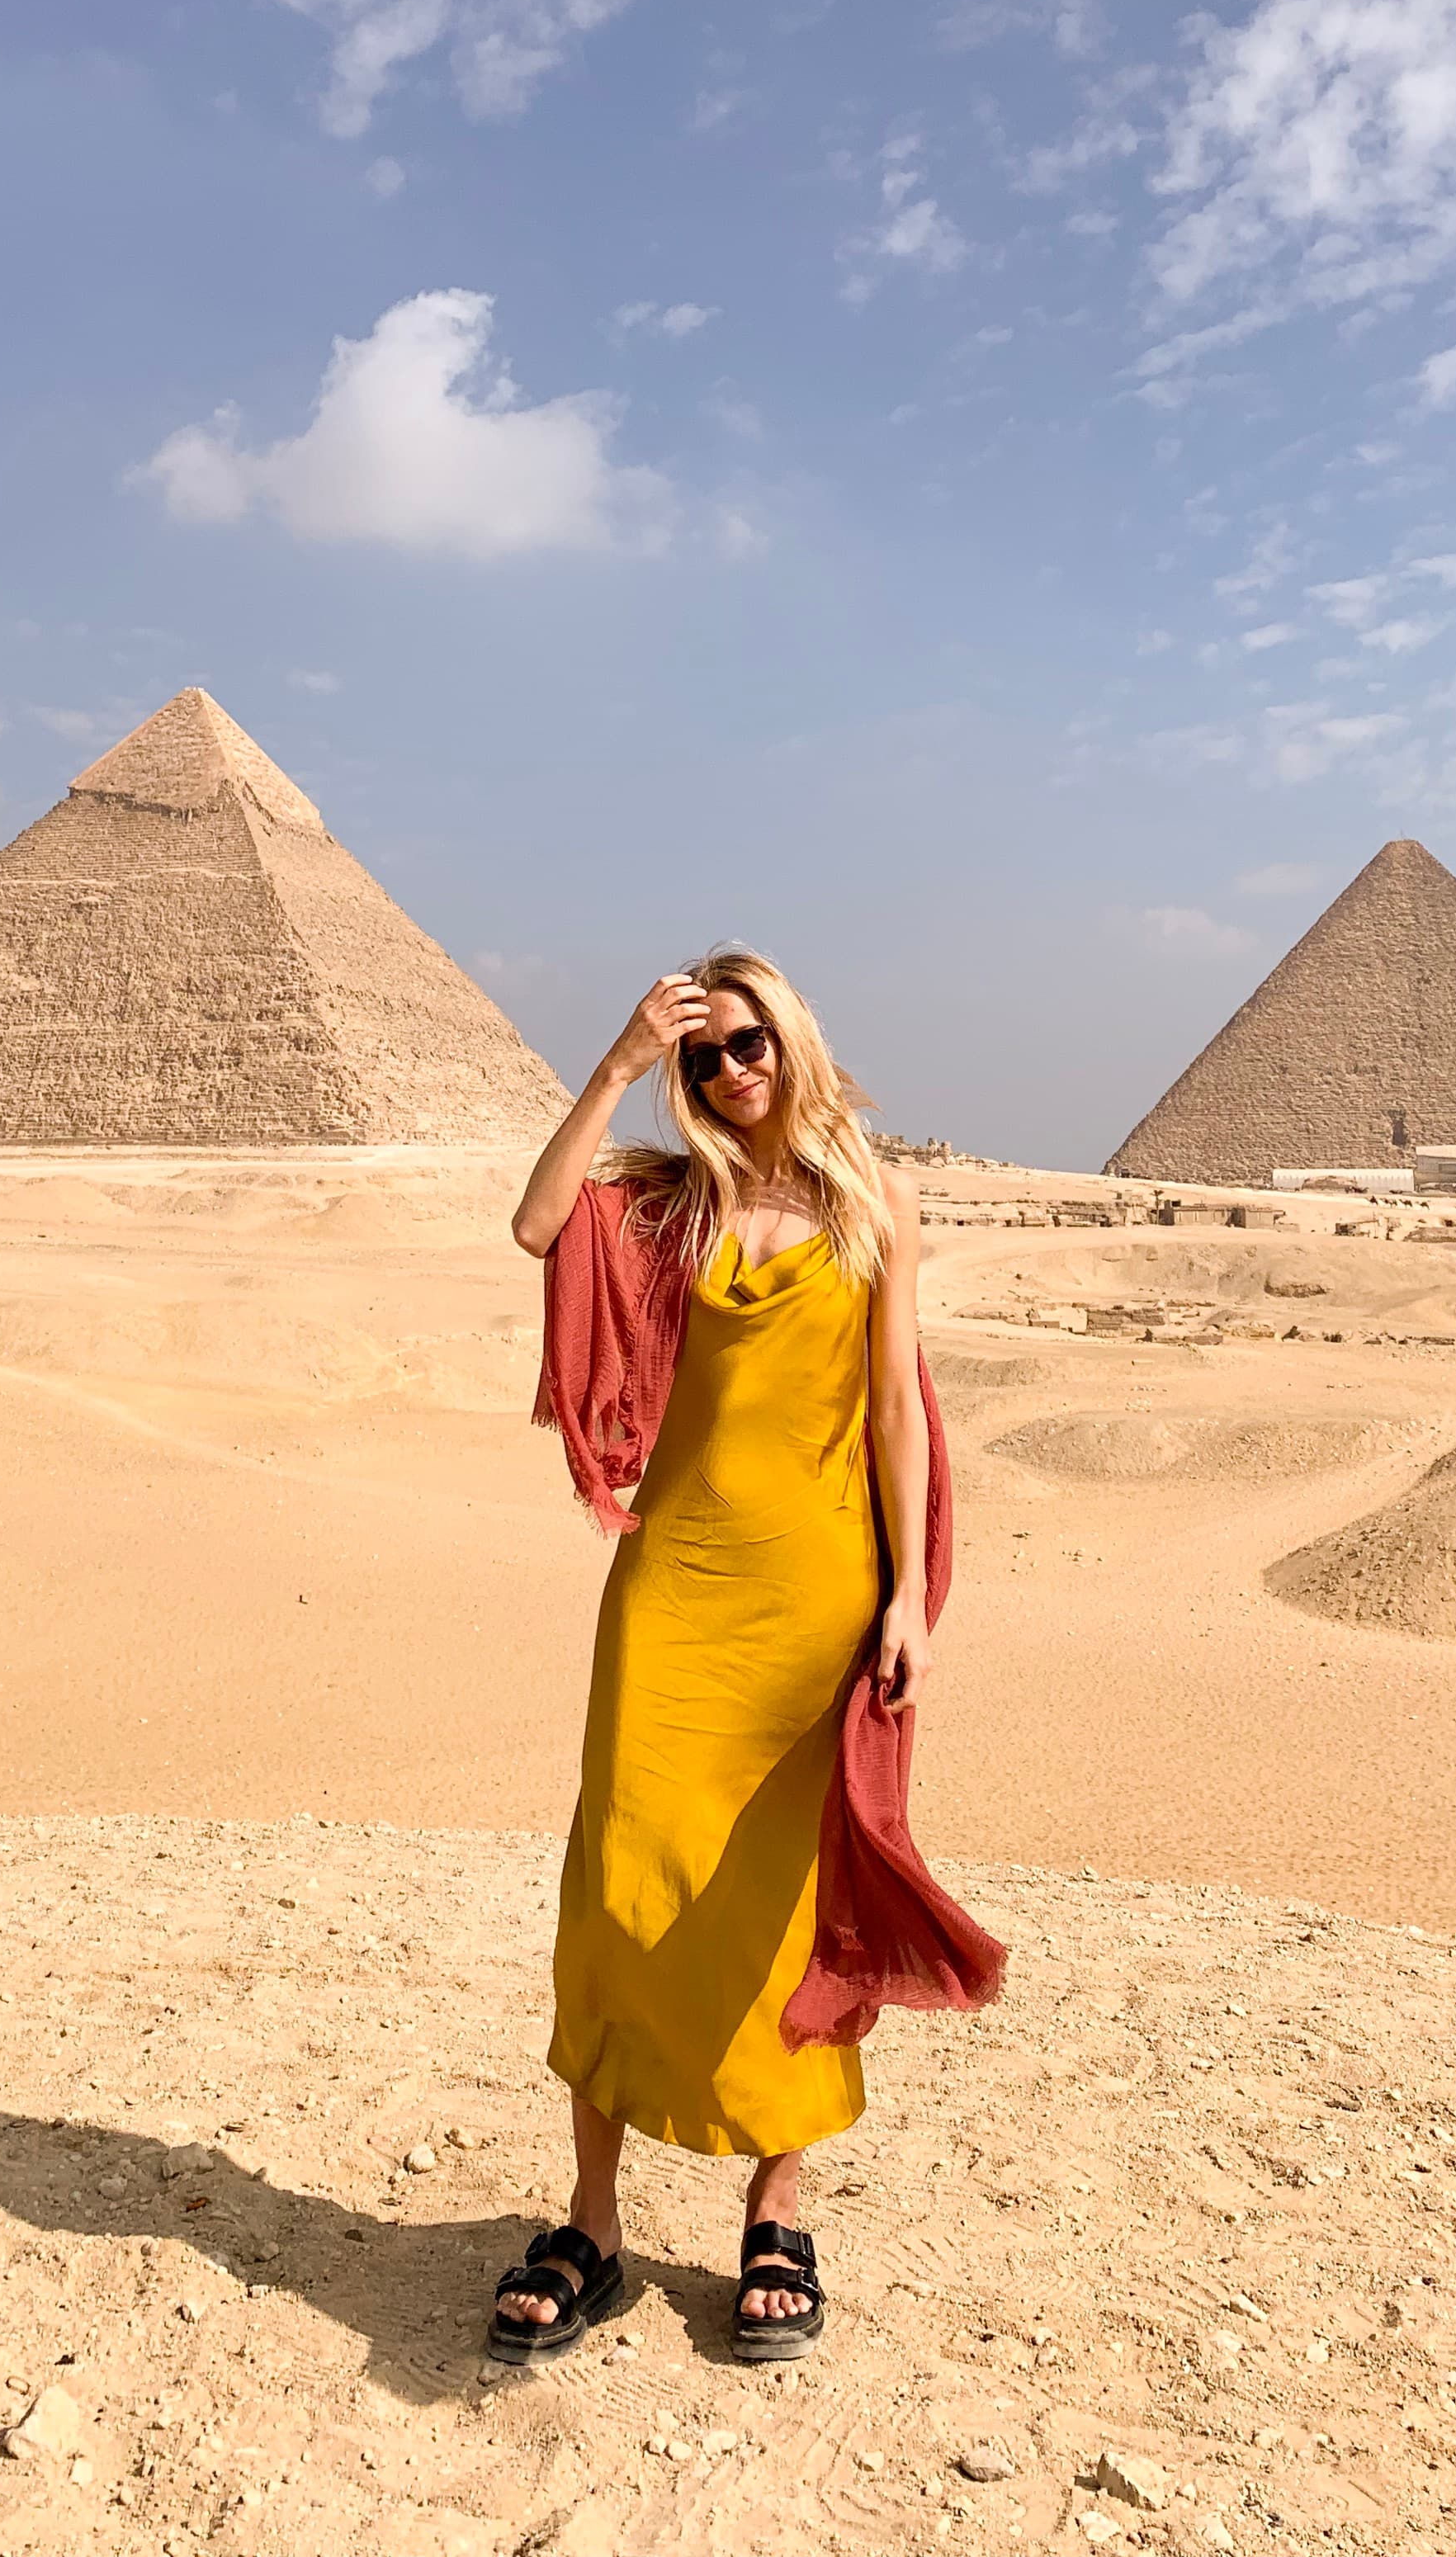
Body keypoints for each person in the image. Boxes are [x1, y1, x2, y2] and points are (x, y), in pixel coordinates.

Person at [490, 950, 934, 2366]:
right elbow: (533, 1223)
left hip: (813, 1600)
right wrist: (620, 1059)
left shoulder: (873, 1209)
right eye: (703, 1058)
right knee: (620, 1882)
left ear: (791, 1040)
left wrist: (910, 1596)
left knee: (783, 1905)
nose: (729, 1072)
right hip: (671, 1597)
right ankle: (596, 2224)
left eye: (746, 1045)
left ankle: (777, 2207)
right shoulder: (671, 1206)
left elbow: (898, 1418)